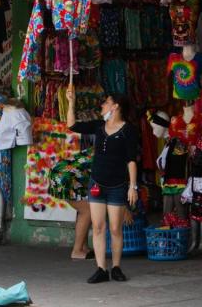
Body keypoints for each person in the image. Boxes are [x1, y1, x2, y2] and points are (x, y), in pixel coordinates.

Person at [67, 88, 138, 283]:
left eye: (106, 102)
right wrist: (71, 102)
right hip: (97, 183)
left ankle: (116, 267)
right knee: (98, 227)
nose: (102, 105)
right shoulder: (99, 126)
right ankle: (101, 268)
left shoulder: (128, 130)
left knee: (115, 228)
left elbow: (131, 160)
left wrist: (133, 186)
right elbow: (72, 125)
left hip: (118, 185)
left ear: (115, 106)